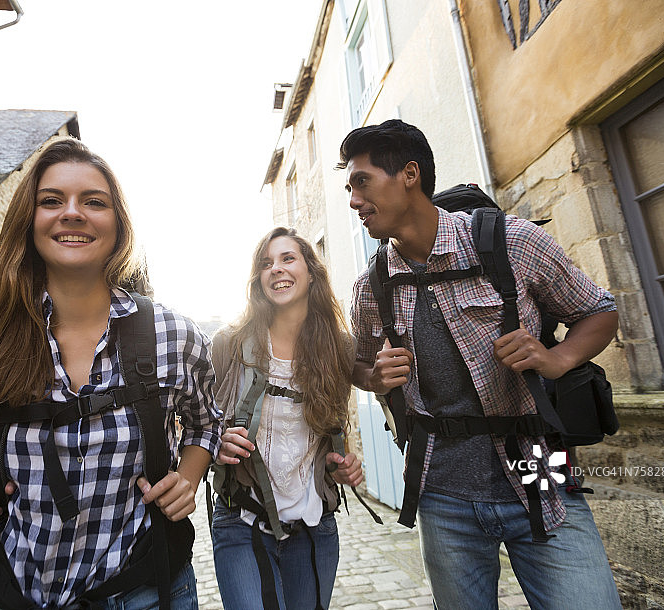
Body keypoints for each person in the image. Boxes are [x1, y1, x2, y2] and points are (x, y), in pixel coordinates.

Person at [338, 119, 622, 610]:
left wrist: (556, 359)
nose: (353, 200)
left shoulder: (510, 243)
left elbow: (598, 309)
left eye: (362, 181)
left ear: (409, 175)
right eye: (349, 187)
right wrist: (374, 375)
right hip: (441, 492)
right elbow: (359, 367)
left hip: (539, 472)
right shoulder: (372, 286)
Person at [0, 137, 222, 609]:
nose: (72, 213)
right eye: (51, 201)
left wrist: (188, 479)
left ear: (118, 225)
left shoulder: (173, 336)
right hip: (21, 591)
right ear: (28, 222)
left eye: (94, 202)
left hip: (143, 588)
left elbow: (205, 423)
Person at [210, 227, 363, 610]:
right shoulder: (228, 344)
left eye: (287, 258)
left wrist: (342, 464)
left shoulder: (338, 349)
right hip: (240, 520)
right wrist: (217, 442)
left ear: (311, 271)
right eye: (266, 263)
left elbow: (329, 432)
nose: (276, 269)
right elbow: (195, 425)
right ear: (258, 281)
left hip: (313, 529)